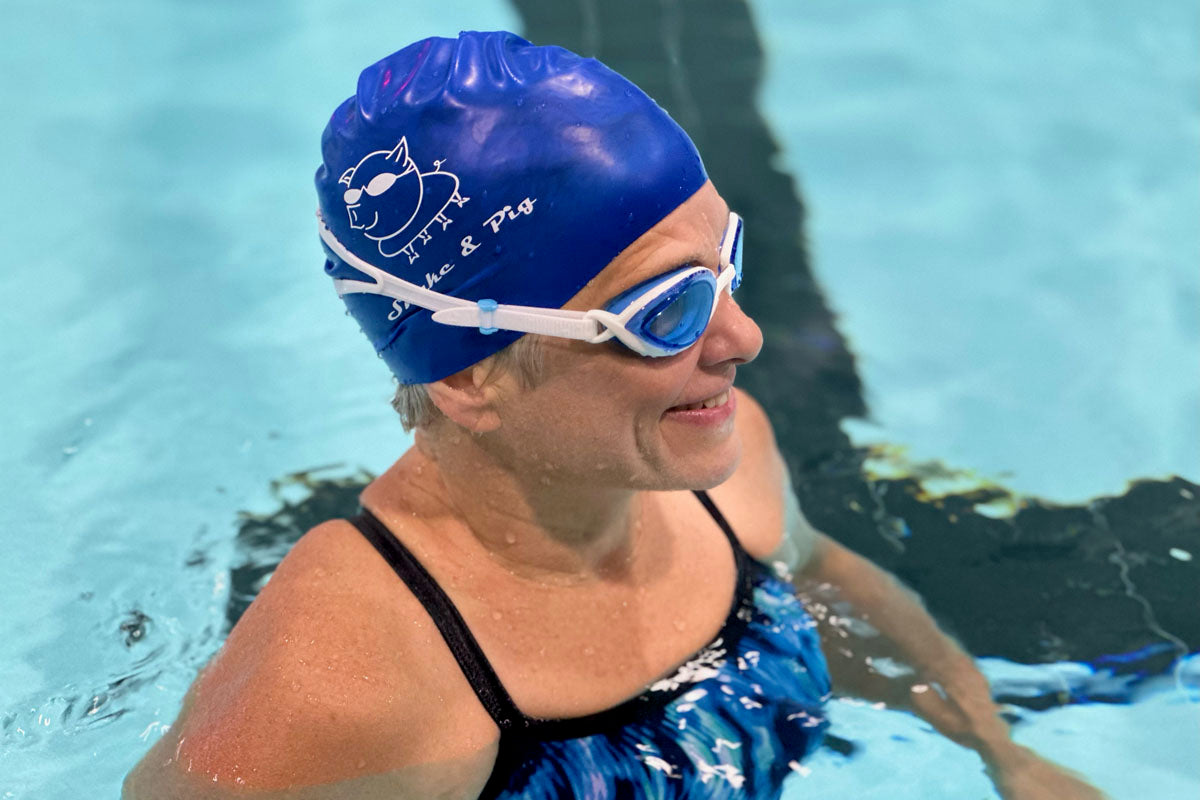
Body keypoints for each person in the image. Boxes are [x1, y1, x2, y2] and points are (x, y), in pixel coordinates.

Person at [124, 31, 1106, 800]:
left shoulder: (718, 457)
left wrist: (1001, 752)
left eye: (725, 264)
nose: (742, 336)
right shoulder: (344, 687)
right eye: (664, 311)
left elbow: (825, 581)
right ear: (473, 377)